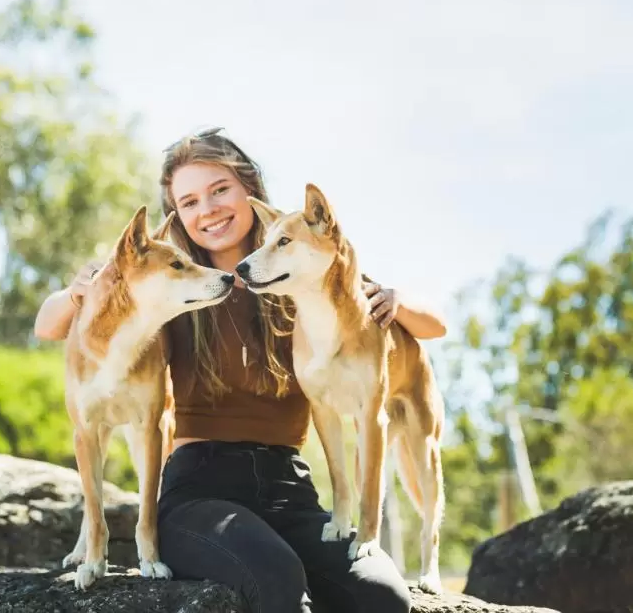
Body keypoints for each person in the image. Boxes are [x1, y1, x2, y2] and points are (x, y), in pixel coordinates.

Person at [34, 127, 447, 613]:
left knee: (382, 597)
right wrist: (83, 289)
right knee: (277, 580)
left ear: (248, 187)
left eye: (220, 190)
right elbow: (50, 325)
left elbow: (434, 325)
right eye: (188, 202)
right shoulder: (174, 285)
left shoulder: (303, 264)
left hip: (287, 486)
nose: (206, 209)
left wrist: (394, 300)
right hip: (199, 491)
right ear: (178, 216)